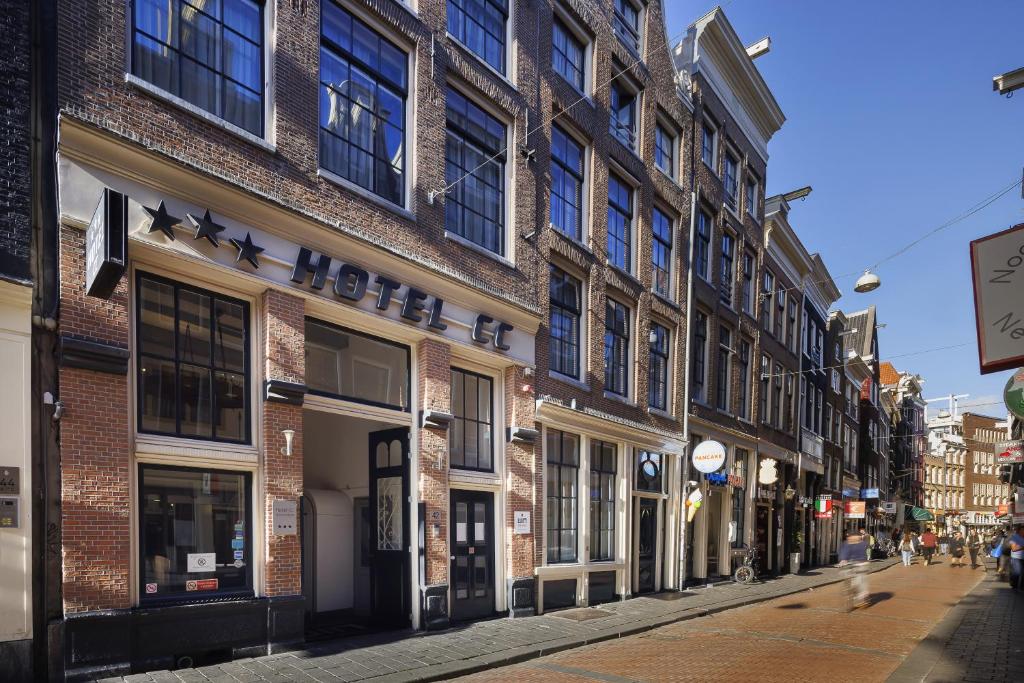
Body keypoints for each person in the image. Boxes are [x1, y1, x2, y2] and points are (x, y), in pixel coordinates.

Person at [839, 528, 870, 609]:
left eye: (852, 536)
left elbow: (865, 549)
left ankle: (862, 597)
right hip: (849, 564)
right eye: (849, 537)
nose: (850, 538)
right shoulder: (846, 543)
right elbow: (844, 552)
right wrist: (843, 560)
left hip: (861, 564)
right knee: (848, 580)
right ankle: (849, 595)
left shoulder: (863, 543)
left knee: (860, 582)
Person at [1009, 525, 1024, 590]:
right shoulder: (1014, 537)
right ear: (1019, 530)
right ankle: (1014, 585)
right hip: (1016, 558)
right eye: (1023, 530)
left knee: (1023, 573)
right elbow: (1013, 548)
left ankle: (1022, 586)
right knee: (1017, 572)